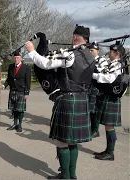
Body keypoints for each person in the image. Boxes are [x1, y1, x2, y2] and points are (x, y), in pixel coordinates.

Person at [26, 25, 95, 179]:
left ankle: (65, 176)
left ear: (75, 36)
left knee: (62, 141)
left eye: (73, 35)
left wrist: (31, 50)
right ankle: (72, 175)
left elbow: (44, 64)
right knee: (73, 141)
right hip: (82, 99)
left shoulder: (70, 56)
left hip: (68, 100)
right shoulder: (90, 56)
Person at [92, 44, 124, 161]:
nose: (109, 53)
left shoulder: (118, 65)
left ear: (117, 53)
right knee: (108, 126)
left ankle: (110, 152)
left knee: (110, 126)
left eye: (111, 52)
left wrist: (93, 75)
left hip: (111, 99)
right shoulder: (113, 64)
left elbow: (109, 78)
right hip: (109, 97)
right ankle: (108, 151)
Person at [0, 50, 31, 132]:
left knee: (20, 110)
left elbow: (28, 81)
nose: (16, 59)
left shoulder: (26, 68)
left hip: (21, 91)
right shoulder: (11, 66)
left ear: (21, 58)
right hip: (12, 90)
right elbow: (9, 79)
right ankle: (15, 124)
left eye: (18, 58)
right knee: (14, 109)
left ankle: (20, 125)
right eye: (15, 58)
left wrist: (27, 93)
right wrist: (4, 85)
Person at [88, 43, 108, 138]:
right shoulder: (87, 59)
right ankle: (90, 127)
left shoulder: (102, 60)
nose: (90, 52)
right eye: (89, 50)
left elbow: (104, 71)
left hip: (97, 87)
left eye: (92, 50)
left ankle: (95, 130)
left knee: (94, 110)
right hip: (87, 86)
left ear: (97, 51)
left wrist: (93, 69)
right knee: (88, 108)